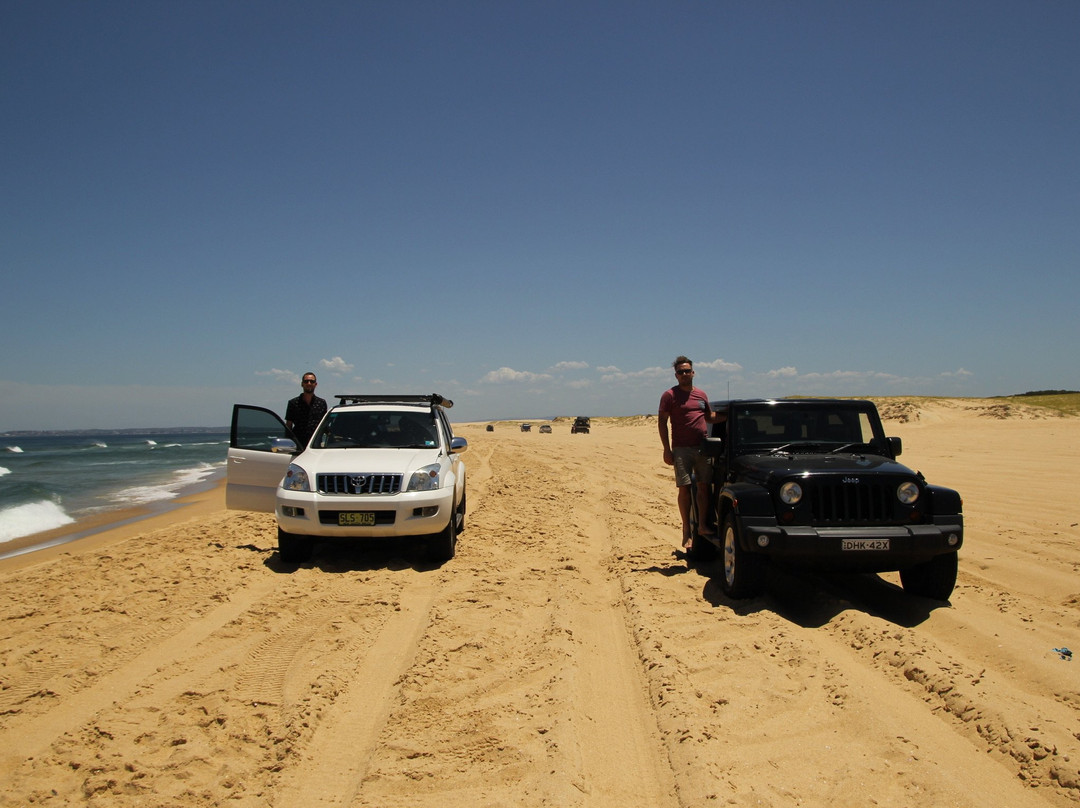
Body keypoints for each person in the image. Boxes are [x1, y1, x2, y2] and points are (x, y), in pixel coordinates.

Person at [658, 356, 725, 551]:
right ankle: (686, 529)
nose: (685, 374)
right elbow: (662, 422)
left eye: (687, 371)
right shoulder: (669, 395)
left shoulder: (701, 395)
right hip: (681, 449)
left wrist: (730, 416)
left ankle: (702, 526)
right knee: (685, 488)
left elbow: (709, 417)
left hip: (703, 447)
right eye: (681, 372)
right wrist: (666, 449)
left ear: (693, 372)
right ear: (676, 375)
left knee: (704, 487)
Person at [285, 372, 328, 449]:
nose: (309, 383)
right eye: (306, 381)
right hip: (298, 445)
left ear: (315, 384)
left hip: (315, 445)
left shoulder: (321, 403)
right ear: (302, 384)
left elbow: (324, 425)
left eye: (312, 381)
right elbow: (289, 425)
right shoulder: (293, 403)